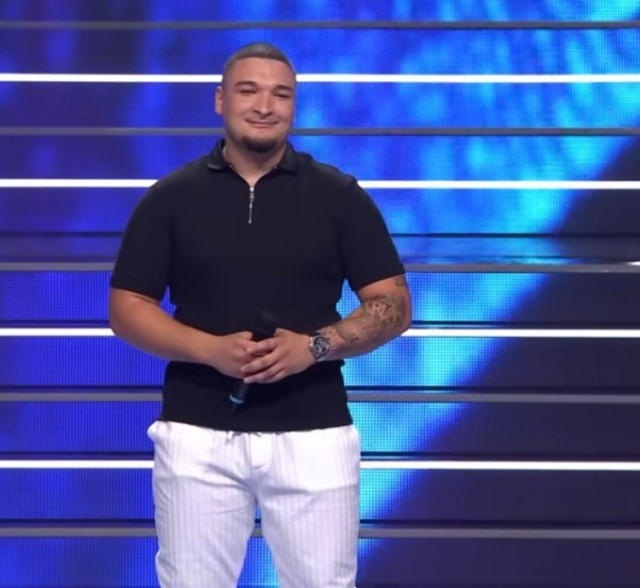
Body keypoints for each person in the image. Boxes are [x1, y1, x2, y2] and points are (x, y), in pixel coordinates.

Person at [109, 41, 411, 588]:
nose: (265, 106)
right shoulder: (169, 198)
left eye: (281, 94)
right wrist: (211, 350)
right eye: (248, 91)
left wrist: (313, 347)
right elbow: (127, 308)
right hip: (197, 432)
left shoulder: (340, 197)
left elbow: (393, 304)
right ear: (220, 99)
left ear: (294, 105)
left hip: (314, 432)